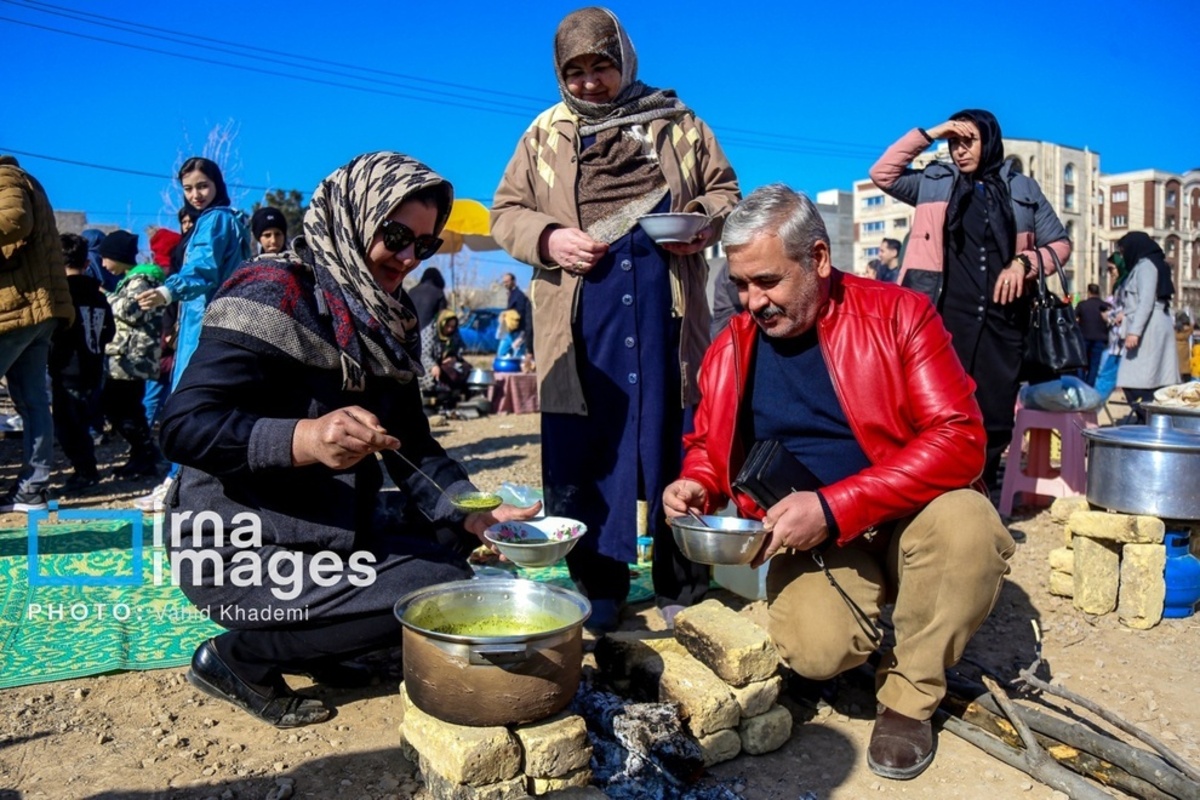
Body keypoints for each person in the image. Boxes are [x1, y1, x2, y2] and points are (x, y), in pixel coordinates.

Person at [159, 151, 538, 728]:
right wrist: (304, 439)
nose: (409, 258)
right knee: (441, 589)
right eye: (396, 236)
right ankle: (239, 658)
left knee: (452, 534)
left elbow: (414, 447)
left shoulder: (388, 317)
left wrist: (475, 511)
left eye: (425, 244)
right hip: (237, 542)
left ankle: (321, 645)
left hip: (326, 520)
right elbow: (182, 426)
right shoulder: (270, 292)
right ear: (352, 221)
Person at [663, 185, 1013, 781]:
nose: (753, 302)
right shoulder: (729, 349)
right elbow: (706, 444)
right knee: (818, 651)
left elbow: (960, 438)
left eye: (767, 281)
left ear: (819, 259)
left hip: (910, 518)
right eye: (741, 285)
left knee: (968, 527)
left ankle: (909, 696)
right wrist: (697, 481)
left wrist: (834, 505)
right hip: (817, 542)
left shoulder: (899, 315)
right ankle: (868, 636)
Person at [491, 6, 741, 630]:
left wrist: (703, 224)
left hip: (665, 305)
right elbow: (506, 213)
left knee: (673, 436)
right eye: (574, 71)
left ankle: (682, 579)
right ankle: (599, 584)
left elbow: (725, 193)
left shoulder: (680, 123)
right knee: (588, 447)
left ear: (624, 60)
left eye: (600, 66)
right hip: (582, 310)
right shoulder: (543, 133)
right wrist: (550, 239)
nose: (589, 82)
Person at [870, 110, 1071, 494]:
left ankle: (980, 495)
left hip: (1004, 321)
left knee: (995, 417)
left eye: (969, 141)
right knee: (938, 410)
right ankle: (940, 497)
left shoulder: (1023, 189)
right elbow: (883, 173)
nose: (959, 150)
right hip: (945, 318)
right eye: (954, 143)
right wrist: (932, 133)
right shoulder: (934, 182)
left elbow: (1059, 244)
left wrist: (1024, 263)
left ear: (989, 141)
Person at [135, 157, 252, 511]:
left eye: (202, 185)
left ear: (216, 184)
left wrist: (167, 291)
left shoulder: (215, 220)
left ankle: (179, 483)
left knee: (188, 406)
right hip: (216, 324)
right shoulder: (227, 221)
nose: (196, 194)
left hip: (205, 327)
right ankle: (194, 484)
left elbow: (202, 270)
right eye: (188, 188)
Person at [0, 155, 75, 512]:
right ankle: (32, 489)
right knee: (32, 401)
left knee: (32, 401)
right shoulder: (21, 177)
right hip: (38, 309)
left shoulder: (4, 176)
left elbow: (16, 219)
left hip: (16, 306)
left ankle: (33, 487)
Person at [50, 233, 114, 491]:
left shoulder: (61, 295)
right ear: (87, 263)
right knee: (83, 422)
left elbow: (54, 332)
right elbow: (109, 332)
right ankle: (87, 468)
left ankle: (85, 471)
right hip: (94, 367)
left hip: (67, 371)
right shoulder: (99, 295)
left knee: (67, 426)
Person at [100, 230, 166, 477]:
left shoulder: (140, 281)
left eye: (106, 258)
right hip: (129, 355)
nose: (103, 264)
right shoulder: (132, 280)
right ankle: (143, 455)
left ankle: (144, 454)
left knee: (119, 407)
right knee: (127, 408)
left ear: (118, 256)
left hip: (131, 357)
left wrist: (106, 297)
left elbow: (132, 311)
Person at [1115, 231, 1178, 422]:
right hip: (1152, 325)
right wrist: (1125, 314)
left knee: (1137, 382)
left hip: (1149, 330)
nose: (1123, 256)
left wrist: (1134, 331)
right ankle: (1150, 421)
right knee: (1149, 381)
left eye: (1123, 251)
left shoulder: (1146, 266)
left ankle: (1150, 421)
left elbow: (1146, 300)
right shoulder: (1149, 265)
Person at [143, 227, 182, 427]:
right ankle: (144, 435)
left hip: (159, 345)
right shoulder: (171, 278)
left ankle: (147, 433)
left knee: (156, 394)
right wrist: (168, 336)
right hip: (166, 346)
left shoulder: (154, 277)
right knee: (156, 395)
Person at [1093, 253, 1128, 404]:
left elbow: (1126, 309)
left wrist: (1109, 316)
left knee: (1105, 379)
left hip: (1121, 342)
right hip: (1116, 342)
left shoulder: (1126, 284)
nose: (1110, 273)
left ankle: (1091, 408)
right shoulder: (1119, 285)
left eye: (1111, 269)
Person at [419, 309, 470, 395]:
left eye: (452, 327)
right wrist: (433, 366)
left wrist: (454, 357)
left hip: (445, 362)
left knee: (466, 368)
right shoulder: (430, 333)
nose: (450, 329)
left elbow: (461, 347)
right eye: (448, 326)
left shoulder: (454, 333)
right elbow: (423, 354)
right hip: (426, 365)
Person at [1074, 283, 1112, 386]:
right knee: (1094, 365)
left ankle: (1080, 384)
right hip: (1100, 338)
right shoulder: (1105, 305)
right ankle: (1090, 386)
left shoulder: (1082, 305)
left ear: (1089, 292)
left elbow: (1074, 318)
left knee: (1081, 363)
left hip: (1084, 338)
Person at [406, 266, 447, 331]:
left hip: (409, 332)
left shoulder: (411, 291)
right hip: (427, 333)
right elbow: (442, 316)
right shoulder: (438, 293)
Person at [501, 272, 533, 352]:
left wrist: (522, 335)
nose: (505, 284)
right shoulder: (510, 294)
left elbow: (521, 313)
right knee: (502, 352)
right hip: (509, 331)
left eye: (507, 282)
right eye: (504, 282)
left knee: (518, 355)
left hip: (518, 331)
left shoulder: (519, 295)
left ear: (513, 281)